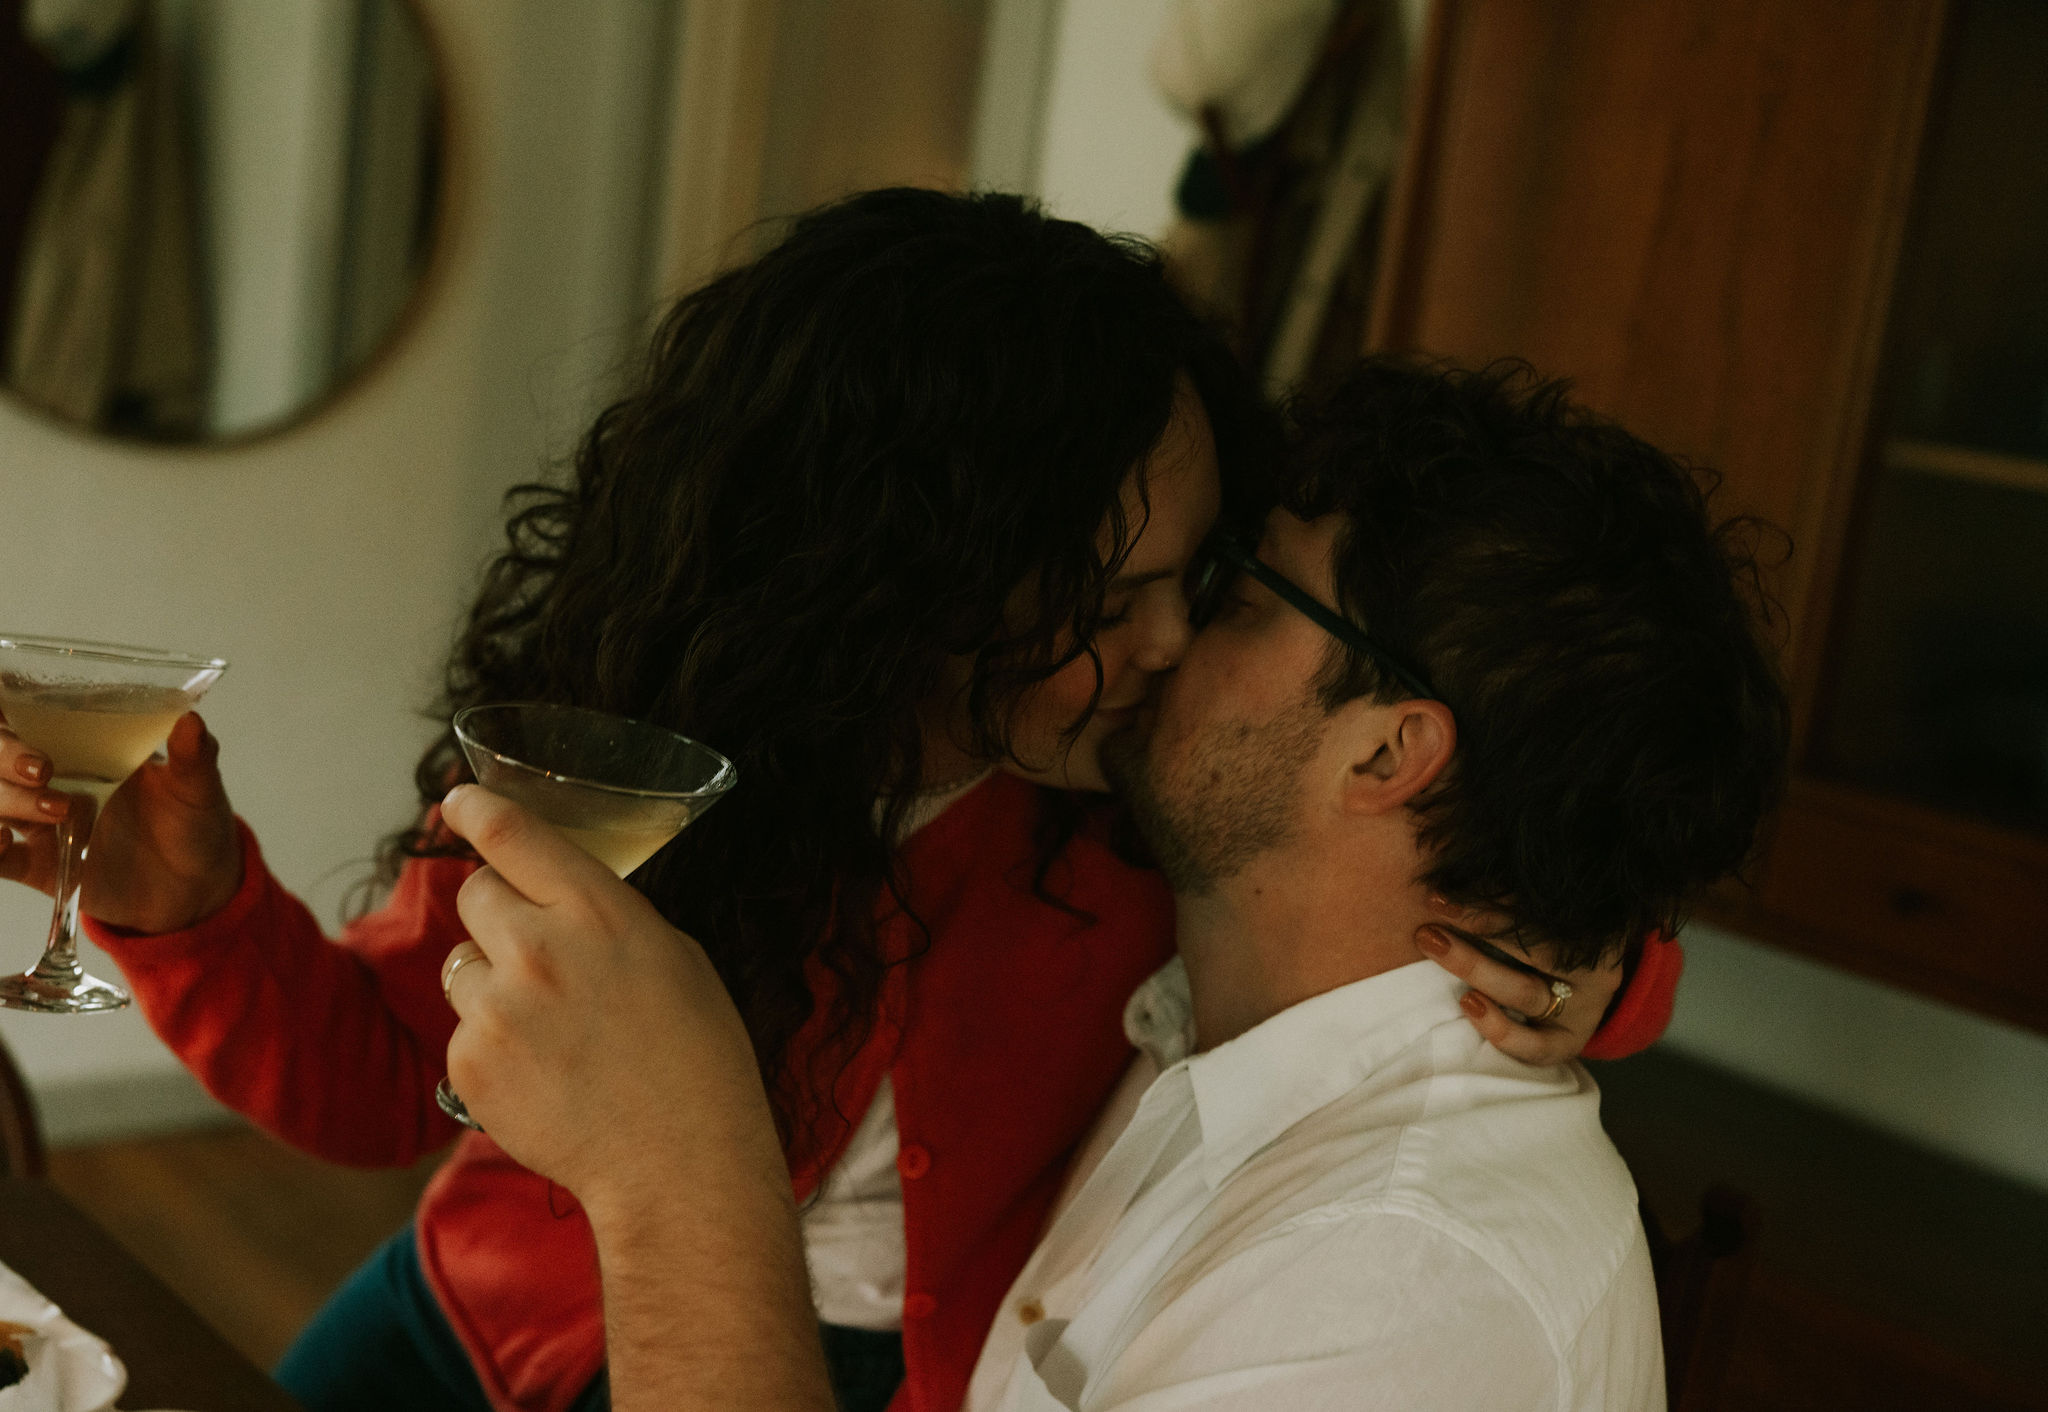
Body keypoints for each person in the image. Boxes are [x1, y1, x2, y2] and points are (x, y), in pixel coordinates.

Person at [0, 197, 1669, 1412]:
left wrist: (1608, 962)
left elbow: (1417, 872)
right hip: (479, 1322)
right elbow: (386, 1077)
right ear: (913, 579)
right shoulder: (635, 755)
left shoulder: (1151, 800)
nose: (1172, 645)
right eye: (1108, 599)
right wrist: (190, 912)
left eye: (1203, 580)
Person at [431, 356, 1789, 1411]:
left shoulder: (1392, 1284)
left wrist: (679, 1174)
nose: (1167, 634)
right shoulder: (1203, 1030)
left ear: (1387, 752)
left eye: (1242, 592)